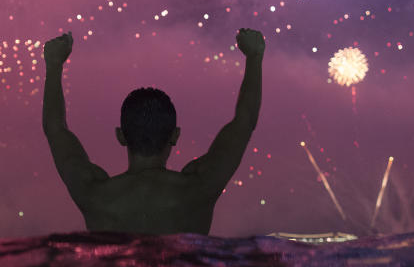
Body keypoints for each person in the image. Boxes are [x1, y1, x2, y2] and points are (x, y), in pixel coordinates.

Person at [42, 28, 264, 234]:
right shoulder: (198, 188)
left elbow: (55, 129)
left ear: (120, 136)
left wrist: (53, 64)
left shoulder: (95, 194)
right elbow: (245, 121)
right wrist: (254, 57)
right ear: (175, 135)